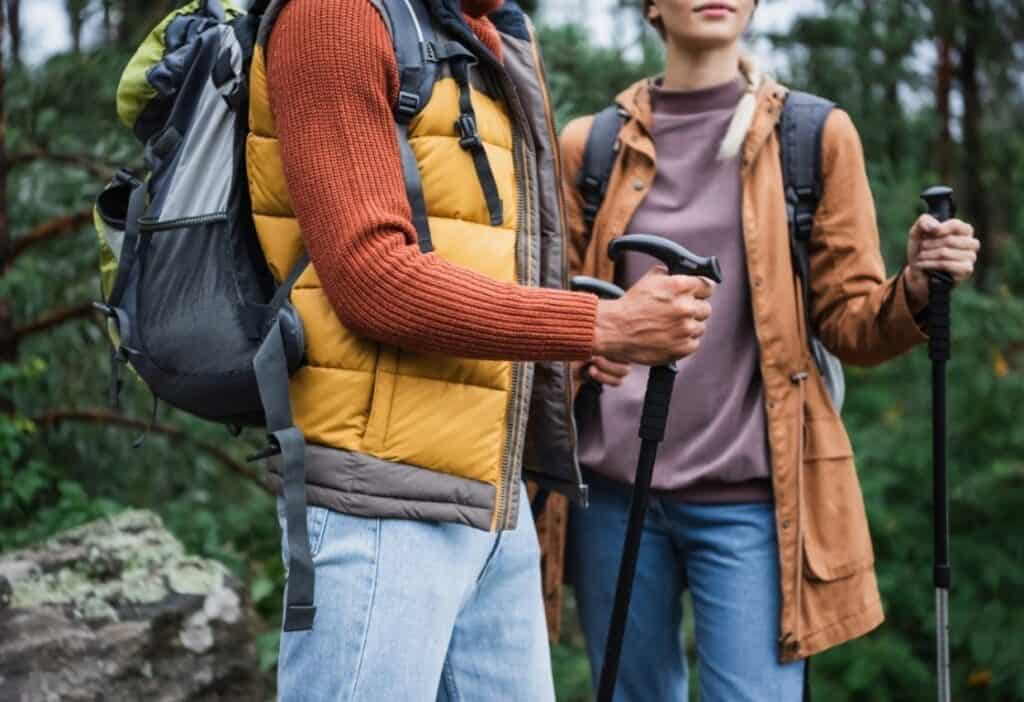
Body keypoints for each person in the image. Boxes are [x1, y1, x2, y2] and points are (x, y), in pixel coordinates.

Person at [245, 0, 714, 699]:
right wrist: (597, 326)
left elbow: (478, 259)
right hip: (378, 503)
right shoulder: (335, 16)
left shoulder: (487, 32)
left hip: (493, 500)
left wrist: (560, 354)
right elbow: (372, 279)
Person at [545, 0, 980, 700]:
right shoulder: (590, 146)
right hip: (613, 496)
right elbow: (556, 309)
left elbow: (851, 324)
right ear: (652, 6)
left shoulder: (812, 136)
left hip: (754, 500)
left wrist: (919, 288)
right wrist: (580, 348)